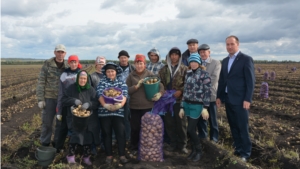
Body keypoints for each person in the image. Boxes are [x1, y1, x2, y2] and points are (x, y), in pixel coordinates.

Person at [216, 35, 255, 162]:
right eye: (227, 44)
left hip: (240, 100)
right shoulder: (225, 61)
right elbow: (222, 81)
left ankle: (246, 153)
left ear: (238, 44)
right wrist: (219, 96)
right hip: (228, 99)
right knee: (233, 126)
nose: (229, 47)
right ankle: (238, 149)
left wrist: (247, 99)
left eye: (232, 44)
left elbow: (250, 81)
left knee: (242, 127)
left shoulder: (246, 59)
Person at [126, 54, 164, 151]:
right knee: (135, 129)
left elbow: (160, 85)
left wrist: (159, 93)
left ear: (144, 64)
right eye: (137, 63)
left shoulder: (150, 74)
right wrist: (136, 86)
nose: (139, 66)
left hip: (147, 106)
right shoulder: (131, 76)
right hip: (134, 107)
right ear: (134, 64)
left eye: (141, 63)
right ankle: (134, 147)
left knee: (147, 128)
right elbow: (126, 90)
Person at [62, 70, 100, 165]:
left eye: (84, 78)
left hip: (88, 118)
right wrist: (73, 101)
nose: (82, 80)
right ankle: (70, 155)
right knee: (75, 135)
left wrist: (89, 104)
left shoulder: (91, 89)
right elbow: (64, 100)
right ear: (77, 78)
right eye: (81, 78)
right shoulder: (71, 88)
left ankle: (86, 156)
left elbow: (96, 103)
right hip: (75, 118)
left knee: (87, 136)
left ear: (87, 79)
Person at [179, 53, 211, 162]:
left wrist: (205, 107)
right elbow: (185, 91)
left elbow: (207, 92)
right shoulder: (187, 74)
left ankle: (199, 151)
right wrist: (182, 106)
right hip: (187, 104)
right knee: (191, 130)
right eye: (191, 62)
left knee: (190, 129)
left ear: (199, 63)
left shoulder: (204, 74)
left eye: (195, 62)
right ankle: (193, 150)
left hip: (197, 105)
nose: (193, 64)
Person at [96, 62, 129, 164]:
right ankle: (109, 155)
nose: (110, 73)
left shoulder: (121, 82)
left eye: (112, 71)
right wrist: (105, 105)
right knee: (106, 134)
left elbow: (125, 95)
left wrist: (120, 105)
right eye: (108, 71)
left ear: (116, 72)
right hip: (104, 113)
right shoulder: (102, 82)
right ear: (105, 73)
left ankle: (122, 155)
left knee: (120, 133)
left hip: (118, 112)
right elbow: (99, 94)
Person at [36, 44, 68, 147]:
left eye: (62, 52)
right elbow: (41, 81)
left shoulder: (67, 66)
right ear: (54, 53)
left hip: (62, 99)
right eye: (58, 52)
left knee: (60, 123)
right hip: (49, 98)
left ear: (65, 54)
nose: (60, 54)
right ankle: (45, 142)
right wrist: (40, 99)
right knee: (47, 122)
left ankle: (57, 143)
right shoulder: (47, 64)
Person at [158, 47, 188, 154]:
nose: (174, 57)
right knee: (169, 123)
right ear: (169, 56)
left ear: (179, 56)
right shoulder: (164, 69)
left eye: (176, 55)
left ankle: (183, 145)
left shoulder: (185, 69)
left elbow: (189, 84)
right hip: (167, 101)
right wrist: (163, 91)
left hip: (179, 101)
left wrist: (181, 90)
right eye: (172, 55)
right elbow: (159, 82)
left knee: (181, 123)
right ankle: (173, 143)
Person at [55, 55, 82, 152]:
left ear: (78, 63)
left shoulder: (81, 73)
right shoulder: (64, 75)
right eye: (72, 62)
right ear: (69, 63)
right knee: (64, 126)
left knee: (77, 127)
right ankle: (59, 147)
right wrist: (59, 111)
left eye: (75, 62)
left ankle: (77, 147)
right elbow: (61, 93)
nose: (73, 64)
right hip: (67, 104)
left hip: (79, 105)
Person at [197, 44, 221, 143]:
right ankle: (203, 137)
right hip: (200, 97)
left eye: (204, 52)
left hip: (211, 95)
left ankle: (214, 139)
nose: (202, 54)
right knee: (201, 118)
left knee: (212, 118)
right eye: (201, 52)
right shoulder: (197, 64)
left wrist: (200, 85)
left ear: (209, 52)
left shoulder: (216, 63)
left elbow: (214, 78)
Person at [118, 50, 134, 143]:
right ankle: (117, 138)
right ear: (119, 59)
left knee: (128, 118)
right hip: (117, 97)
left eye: (125, 57)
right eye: (121, 57)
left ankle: (128, 137)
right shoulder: (116, 69)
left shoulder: (133, 69)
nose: (123, 59)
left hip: (130, 97)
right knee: (118, 118)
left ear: (128, 58)